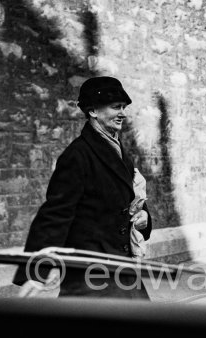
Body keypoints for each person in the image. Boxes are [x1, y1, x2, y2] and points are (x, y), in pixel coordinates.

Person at [14, 76, 152, 299]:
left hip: (120, 267)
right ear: (94, 111)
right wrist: (35, 273)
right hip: (90, 274)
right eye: (116, 107)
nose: (123, 113)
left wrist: (145, 218)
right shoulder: (77, 156)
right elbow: (55, 214)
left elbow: (128, 199)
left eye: (124, 107)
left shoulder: (117, 150)